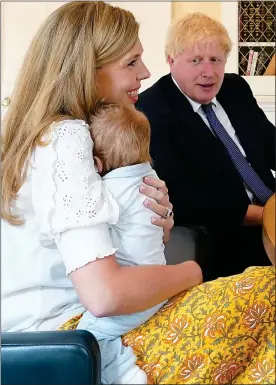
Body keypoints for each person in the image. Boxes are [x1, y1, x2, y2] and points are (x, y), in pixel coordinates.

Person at [2, 3, 275, 384]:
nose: (145, 74)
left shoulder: (42, 134)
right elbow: (105, 295)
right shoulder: (67, 137)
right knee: (267, 290)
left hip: (67, 329)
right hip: (81, 337)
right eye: (131, 63)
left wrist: (148, 226)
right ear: (87, 68)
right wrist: (194, 273)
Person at [136, 13, 275, 281]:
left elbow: (270, 143)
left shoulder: (235, 88)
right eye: (196, 61)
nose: (208, 73)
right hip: (225, 237)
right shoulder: (150, 111)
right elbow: (184, 197)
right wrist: (267, 215)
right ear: (171, 61)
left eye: (215, 60)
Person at [76, 101, 202, 384]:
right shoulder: (153, 181)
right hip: (156, 284)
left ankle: (126, 375)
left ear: (96, 163)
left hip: (133, 295)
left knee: (91, 336)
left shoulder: (106, 193)